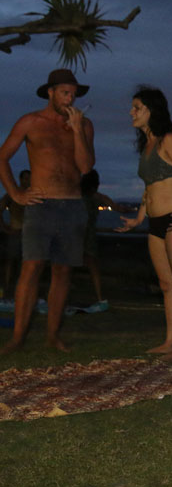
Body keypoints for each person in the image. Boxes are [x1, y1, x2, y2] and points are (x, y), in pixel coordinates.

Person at [0, 69, 95, 353]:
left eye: (73, 93)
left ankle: (53, 335)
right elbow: (3, 157)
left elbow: (86, 167)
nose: (70, 97)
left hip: (72, 204)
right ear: (50, 92)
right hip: (41, 205)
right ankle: (18, 337)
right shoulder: (31, 122)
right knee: (30, 269)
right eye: (65, 92)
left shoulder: (85, 125)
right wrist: (16, 193)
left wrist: (77, 130)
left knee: (63, 271)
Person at [116, 87, 172, 362]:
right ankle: (169, 341)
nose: (131, 112)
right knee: (166, 285)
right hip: (155, 221)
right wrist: (139, 217)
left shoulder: (169, 139)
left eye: (137, 107)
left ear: (151, 110)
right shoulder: (147, 145)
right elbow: (149, 187)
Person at [80, 169, 115, 310]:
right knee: (93, 267)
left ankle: (100, 297)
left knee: (65, 266)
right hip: (87, 234)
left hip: (77, 233)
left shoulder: (79, 196)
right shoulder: (95, 197)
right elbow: (115, 205)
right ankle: (100, 297)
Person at [0, 169, 30, 297]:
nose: (28, 181)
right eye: (26, 178)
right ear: (21, 179)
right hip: (15, 231)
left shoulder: (33, 196)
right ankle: (7, 287)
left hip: (30, 235)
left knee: (27, 263)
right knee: (11, 261)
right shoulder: (12, 195)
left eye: (30, 178)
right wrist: (4, 227)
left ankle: (22, 289)